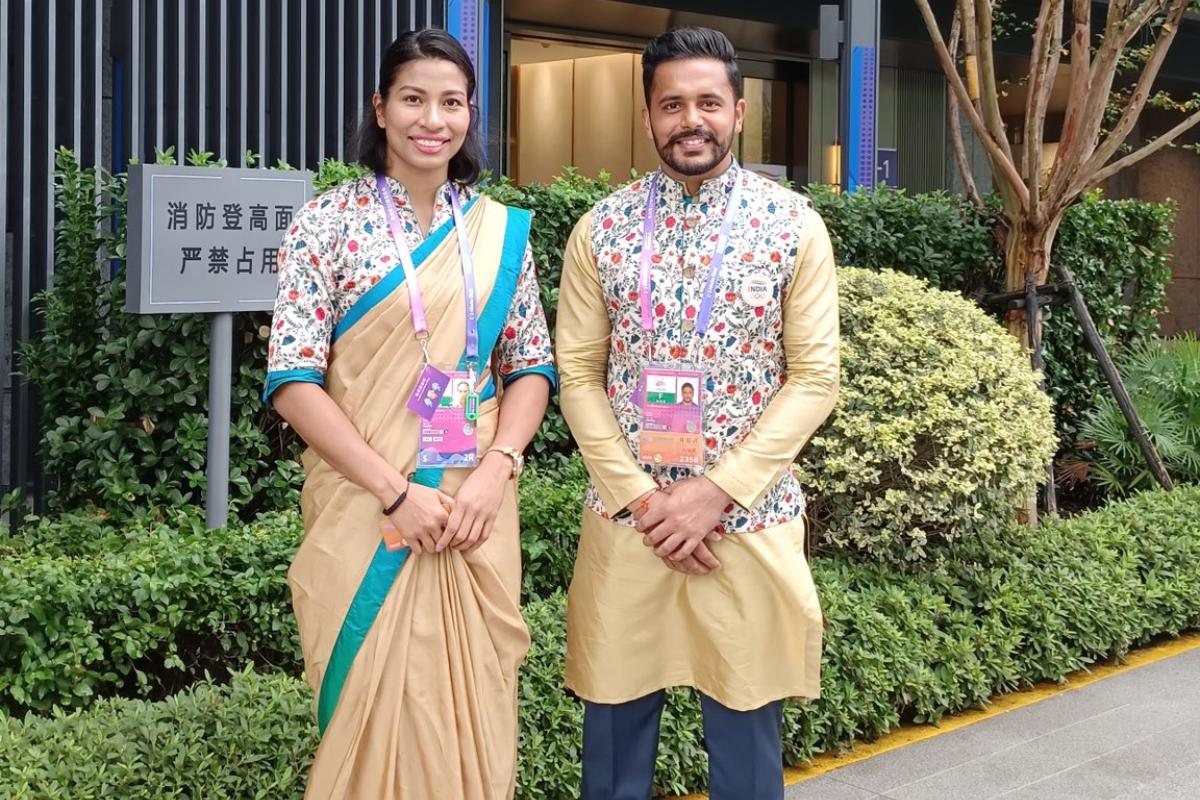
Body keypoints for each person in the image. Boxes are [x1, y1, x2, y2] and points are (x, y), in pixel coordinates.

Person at [264, 29, 555, 800]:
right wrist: (396, 493)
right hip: (367, 511)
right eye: (414, 99)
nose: (435, 119)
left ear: (471, 115)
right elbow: (293, 380)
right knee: (370, 701)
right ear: (381, 110)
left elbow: (531, 367)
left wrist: (497, 469)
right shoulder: (325, 225)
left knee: (472, 705)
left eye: (452, 102)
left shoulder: (500, 232)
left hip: (473, 514)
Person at [555, 26, 840, 800]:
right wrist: (646, 501)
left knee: (747, 749)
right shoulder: (602, 230)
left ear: (740, 112)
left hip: (744, 522)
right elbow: (576, 373)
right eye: (672, 103)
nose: (692, 119)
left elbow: (815, 378)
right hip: (628, 523)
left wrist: (714, 493)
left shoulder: (792, 226)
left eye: (708, 102)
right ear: (647, 117)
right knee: (612, 745)